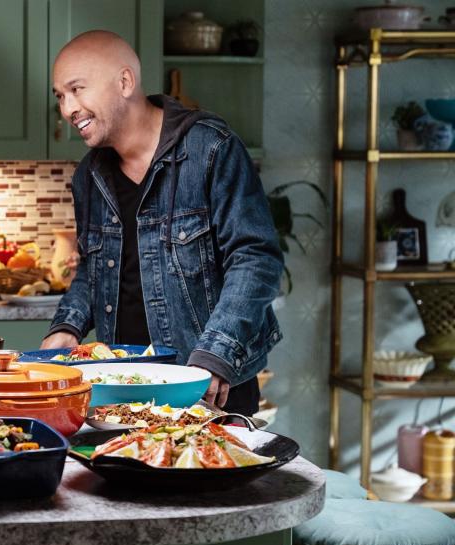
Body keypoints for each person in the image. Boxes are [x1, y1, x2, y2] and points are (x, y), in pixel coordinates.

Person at [43, 31, 283, 415]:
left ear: (125, 82)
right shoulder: (89, 176)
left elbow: (256, 259)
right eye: (60, 96)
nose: (68, 108)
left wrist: (215, 354)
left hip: (208, 388)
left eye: (77, 89)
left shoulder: (211, 149)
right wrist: (67, 327)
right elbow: (93, 268)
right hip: (121, 392)